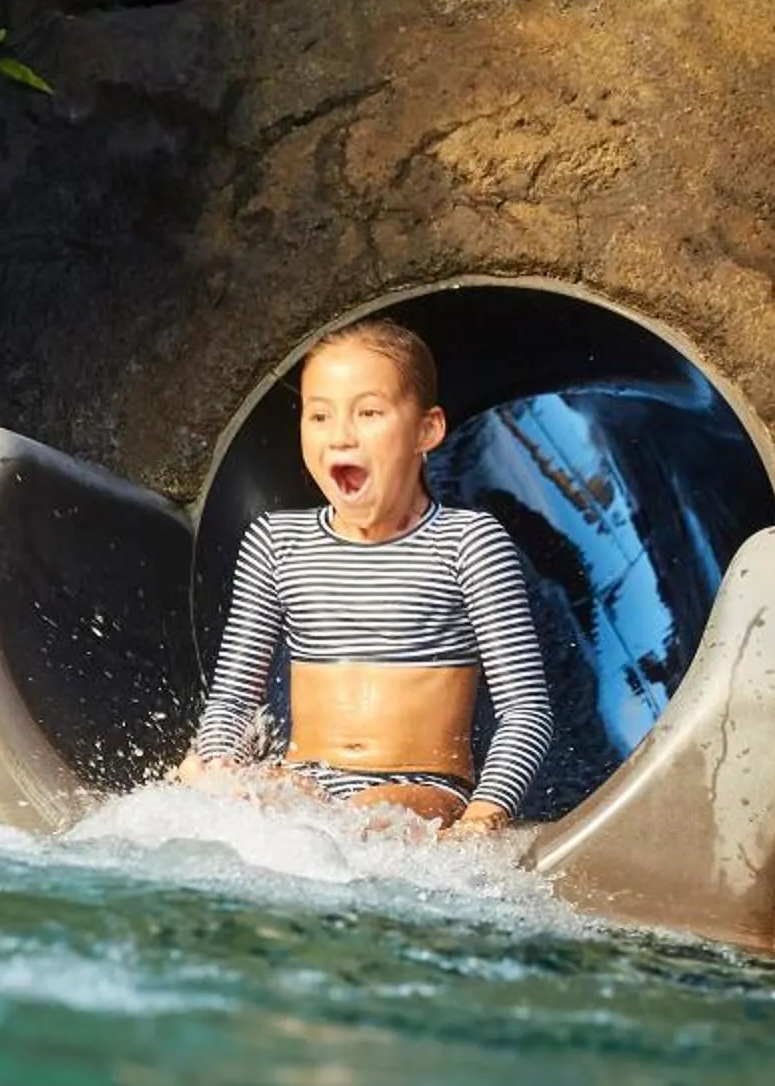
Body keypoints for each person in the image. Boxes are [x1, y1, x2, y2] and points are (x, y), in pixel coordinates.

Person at [178, 318, 553, 837]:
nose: (340, 436)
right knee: (226, 796)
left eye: (369, 413)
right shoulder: (277, 542)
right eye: (319, 415)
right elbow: (234, 699)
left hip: (421, 790)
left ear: (427, 431)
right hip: (303, 780)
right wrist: (220, 766)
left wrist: (484, 814)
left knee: (361, 822)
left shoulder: (468, 542)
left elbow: (525, 710)